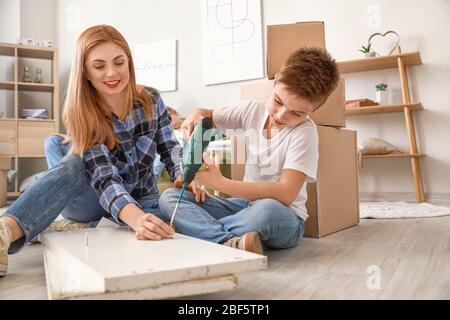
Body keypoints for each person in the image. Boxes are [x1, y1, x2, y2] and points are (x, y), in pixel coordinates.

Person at [0, 24, 206, 277]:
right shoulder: (82, 113)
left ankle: (73, 223)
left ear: (129, 62)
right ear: (85, 71)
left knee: (169, 210)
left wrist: (183, 172)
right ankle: (5, 230)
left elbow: (169, 147)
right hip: (92, 199)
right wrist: (135, 219)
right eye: (99, 66)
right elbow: (105, 179)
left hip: (141, 196)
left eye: (119, 62)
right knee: (73, 161)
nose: (112, 73)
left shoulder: (151, 99)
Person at [159, 47, 339, 255]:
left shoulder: (305, 133)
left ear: (312, 111)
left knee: (267, 212)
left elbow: (286, 193)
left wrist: (221, 183)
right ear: (275, 84)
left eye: (296, 113)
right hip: (243, 207)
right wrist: (196, 114)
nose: (280, 115)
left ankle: (198, 230)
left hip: (284, 217)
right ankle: (226, 240)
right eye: (278, 102)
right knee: (171, 198)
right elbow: (208, 115)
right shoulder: (252, 110)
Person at [153, 106, 187, 182]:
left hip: (182, 150)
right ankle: (153, 178)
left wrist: (183, 129)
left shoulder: (186, 126)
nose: (171, 124)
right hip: (168, 152)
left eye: (170, 119)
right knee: (158, 157)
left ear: (176, 114)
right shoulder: (169, 131)